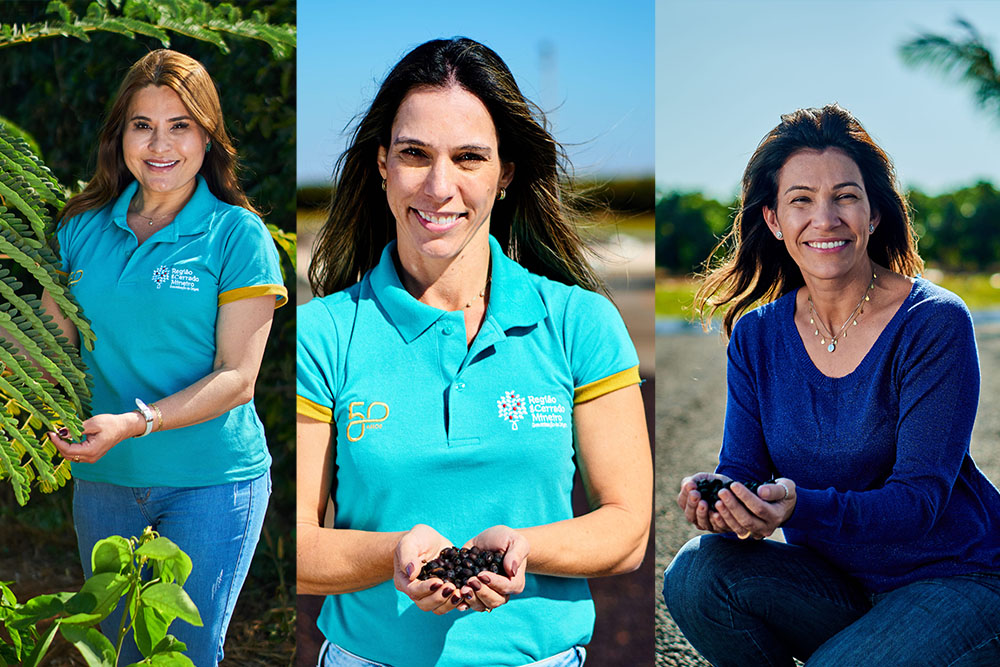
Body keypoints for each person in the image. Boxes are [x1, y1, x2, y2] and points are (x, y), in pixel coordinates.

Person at [297, 37, 651, 667]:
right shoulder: (320, 333)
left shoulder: (580, 323)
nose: (440, 186)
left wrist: (522, 548)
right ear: (382, 165)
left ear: (505, 173)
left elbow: (627, 528)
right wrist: (395, 554)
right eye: (414, 154)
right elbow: (293, 544)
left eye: (468, 158)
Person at [662, 104, 1000, 666]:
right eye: (801, 200)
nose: (825, 218)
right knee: (696, 574)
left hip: (960, 579)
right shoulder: (757, 335)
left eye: (845, 196)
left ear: (873, 214)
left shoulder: (933, 322)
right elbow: (743, 471)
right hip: (837, 586)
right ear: (773, 220)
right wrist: (719, 501)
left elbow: (918, 501)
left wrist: (799, 508)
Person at [42, 49, 287, 666]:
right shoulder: (79, 228)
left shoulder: (237, 236)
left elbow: (237, 378)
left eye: (180, 125)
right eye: (142, 125)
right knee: (117, 652)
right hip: (103, 480)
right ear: (119, 134)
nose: (160, 144)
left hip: (210, 482)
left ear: (208, 136)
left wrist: (134, 423)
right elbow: (48, 346)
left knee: (182, 654)